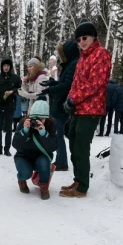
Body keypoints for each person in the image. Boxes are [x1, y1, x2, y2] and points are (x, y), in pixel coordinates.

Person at [61, 19, 111, 198]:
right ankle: (78, 179)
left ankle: (82, 187)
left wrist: (73, 99)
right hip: (78, 109)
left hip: (91, 109)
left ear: (93, 37)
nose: (81, 42)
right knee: (74, 144)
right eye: (78, 39)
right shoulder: (83, 57)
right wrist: (69, 101)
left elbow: (95, 84)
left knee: (81, 147)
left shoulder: (101, 54)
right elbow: (76, 83)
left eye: (84, 37)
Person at [40, 39, 80, 171]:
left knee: (58, 134)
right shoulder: (69, 64)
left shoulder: (73, 64)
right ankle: (60, 159)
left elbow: (67, 86)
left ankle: (62, 161)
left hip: (62, 106)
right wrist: (51, 83)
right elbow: (63, 83)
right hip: (60, 104)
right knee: (58, 133)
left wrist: (51, 89)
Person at [12, 100, 56, 200]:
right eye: (34, 118)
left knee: (44, 163)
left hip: (42, 155)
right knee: (25, 173)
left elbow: (53, 146)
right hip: (23, 156)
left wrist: (44, 133)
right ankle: (21, 180)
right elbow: (15, 144)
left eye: (41, 119)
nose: (37, 122)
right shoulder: (24, 122)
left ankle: (44, 186)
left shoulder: (50, 124)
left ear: (46, 118)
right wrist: (24, 131)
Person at [0, 58, 22, 157]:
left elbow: (20, 89)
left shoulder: (15, 78)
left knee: (8, 129)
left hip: (10, 106)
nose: (6, 68)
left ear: (10, 67)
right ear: (2, 67)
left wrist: (12, 91)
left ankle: (7, 149)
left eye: (8, 66)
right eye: (4, 66)